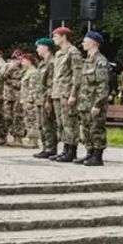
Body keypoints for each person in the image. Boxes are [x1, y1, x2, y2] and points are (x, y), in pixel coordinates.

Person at [76, 31, 110, 166]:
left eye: (86, 41)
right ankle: (89, 153)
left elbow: (103, 85)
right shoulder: (87, 60)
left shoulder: (100, 61)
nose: (83, 43)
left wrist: (98, 104)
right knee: (86, 129)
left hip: (95, 102)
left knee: (97, 128)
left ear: (94, 43)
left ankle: (97, 155)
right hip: (84, 102)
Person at [50, 27, 83, 163]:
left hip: (67, 92)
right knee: (61, 123)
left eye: (56, 36)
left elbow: (77, 75)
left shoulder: (73, 52)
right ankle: (65, 148)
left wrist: (73, 94)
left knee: (70, 122)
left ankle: (72, 150)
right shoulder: (58, 54)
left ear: (64, 36)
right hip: (58, 91)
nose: (54, 39)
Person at [34, 38, 58, 159]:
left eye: (39, 47)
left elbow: (51, 83)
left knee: (48, 124)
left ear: (46, 47)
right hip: (39, 98)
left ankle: (51, 148)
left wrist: (48, 100)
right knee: (41, 124)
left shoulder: (52, 62)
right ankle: (45, 147)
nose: (37, 49)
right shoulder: (42, 63)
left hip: (46, 98)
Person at [2, 50, 23, 147]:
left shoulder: (24, 68)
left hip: (18, 96)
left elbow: (21, 84)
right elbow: (1, 76)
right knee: (7, 116)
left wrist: (12, 82)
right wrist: (10, 68)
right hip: (8, 96)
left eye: (18, 59)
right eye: (14, 59)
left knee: (17, 117)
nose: (16, 61)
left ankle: (18, 138)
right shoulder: (8, 67)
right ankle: (6, 136)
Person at [19, 52, 41, 149]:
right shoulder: (27, 72)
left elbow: (33, 88)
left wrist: (30, 100)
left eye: (23, 61)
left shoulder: (34, 72)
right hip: (26, 100)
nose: (22, 63)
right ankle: (31, 139)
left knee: (32, 120)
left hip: (31, 101)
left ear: (29, 61)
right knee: (28, 120)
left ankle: (34, 140)